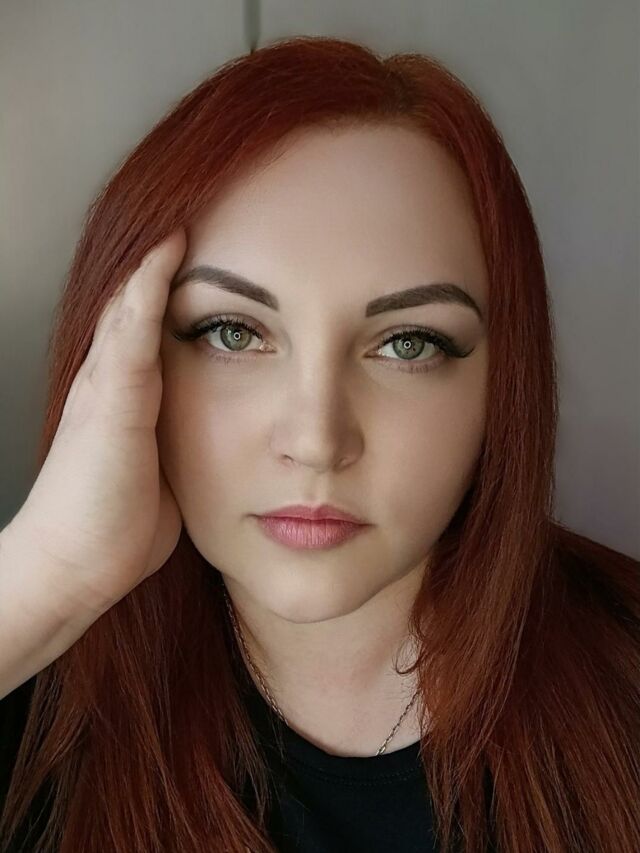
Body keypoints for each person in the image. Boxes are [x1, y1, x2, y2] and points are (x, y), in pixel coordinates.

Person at [0, 34, 638, 853]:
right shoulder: (35, 688)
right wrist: (52, 573)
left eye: (408, 343)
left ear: (501, 384)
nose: (315, 440)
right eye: (232, 331)